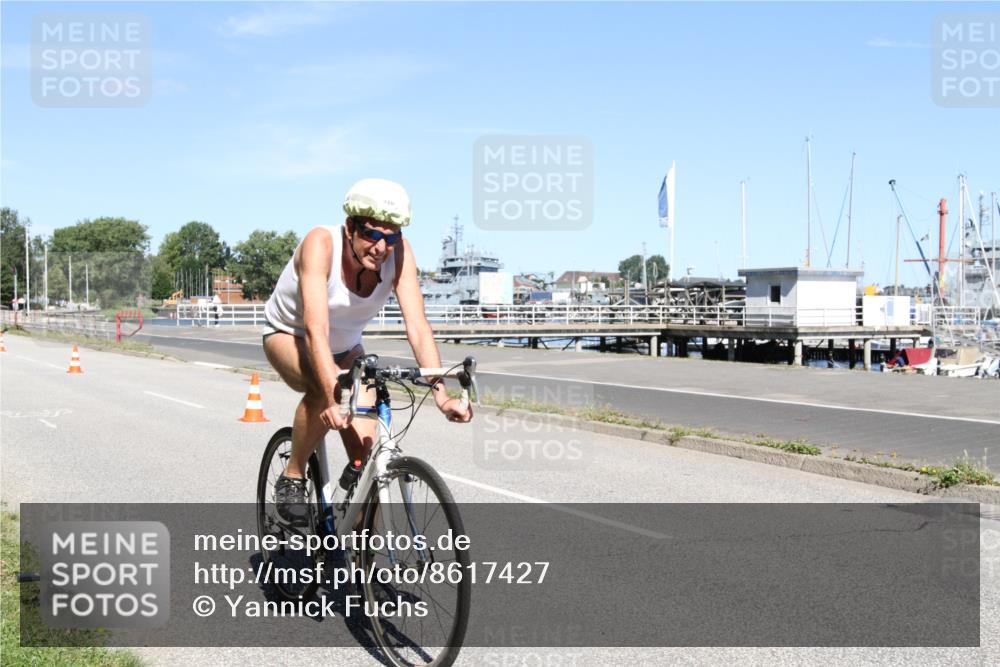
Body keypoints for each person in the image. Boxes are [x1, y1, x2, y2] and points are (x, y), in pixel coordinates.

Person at [262, 178, 473, 525]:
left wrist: (441, 395)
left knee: (365, 457)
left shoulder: (399, 254)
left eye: (391, 237)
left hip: (346, 348)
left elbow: (418, 326)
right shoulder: (321, 244)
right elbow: (316, 328)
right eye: (372, 234)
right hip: (290, 334)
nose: (381, 247)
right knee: (324, 388)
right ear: (350, 227)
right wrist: (332, 396)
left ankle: (359, 544)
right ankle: (293, 476)